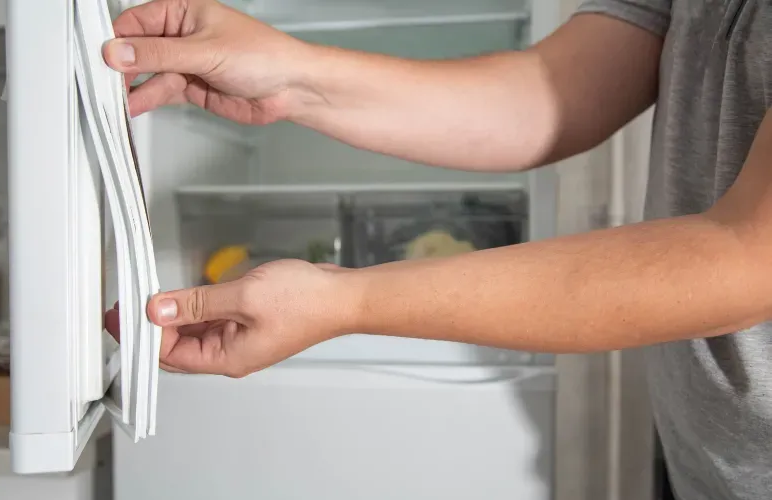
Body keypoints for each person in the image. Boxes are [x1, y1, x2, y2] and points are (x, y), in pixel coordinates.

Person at [100, 0, 772, 498]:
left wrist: (345, 298)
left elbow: (744, 259)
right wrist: (290, 78)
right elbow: (553, 93)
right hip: (701, 461)